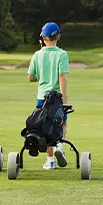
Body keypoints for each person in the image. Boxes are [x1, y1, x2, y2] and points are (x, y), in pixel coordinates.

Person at [28, 22, 70, 170]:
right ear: (58, 36)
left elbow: (31, 77)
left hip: (42, 98)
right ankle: (60, 146)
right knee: (62, 123)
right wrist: (64, 98)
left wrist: (42, 74)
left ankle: (50, 159)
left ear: (43, 37)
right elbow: (62, 76)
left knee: (45, 127)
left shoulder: (37, 55)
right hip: (57, 98)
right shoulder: (62, 54)